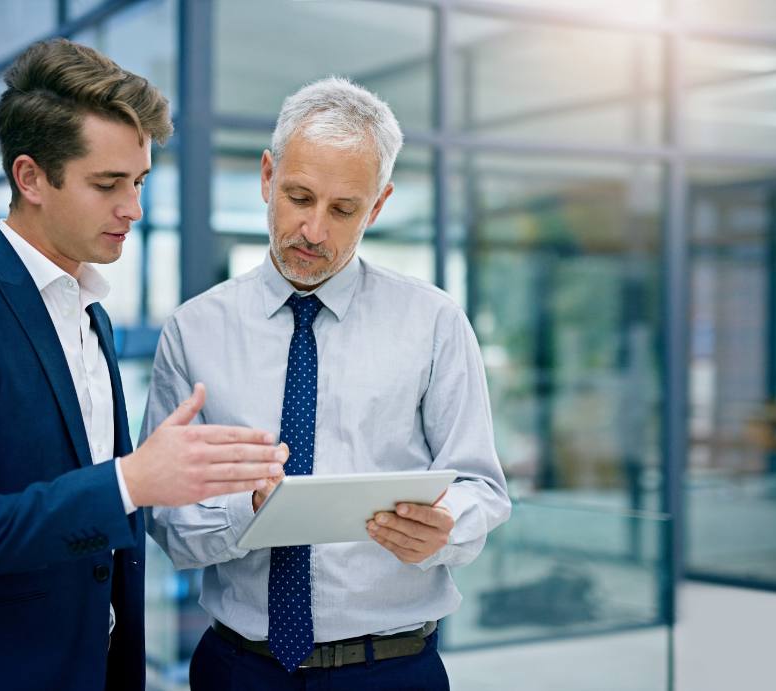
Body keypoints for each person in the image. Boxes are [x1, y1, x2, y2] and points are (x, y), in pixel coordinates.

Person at [0, 38, 285, 691]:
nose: (134, 209)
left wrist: (189, 484)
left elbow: (91, 527)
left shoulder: (89, 314)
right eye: (108, 184)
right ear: (30, 177)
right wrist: (126, 482)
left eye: (140, 181)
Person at [142, 77, 511, 690]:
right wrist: (247, 513)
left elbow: (483, 487)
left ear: (379, 205)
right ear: (266, 177)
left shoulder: (434, 323)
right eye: (298, 196)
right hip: (239, 670)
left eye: (344, 210)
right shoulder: (193, 331)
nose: (314, 230)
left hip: (391, 670)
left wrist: (447, 526)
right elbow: (166, 520)